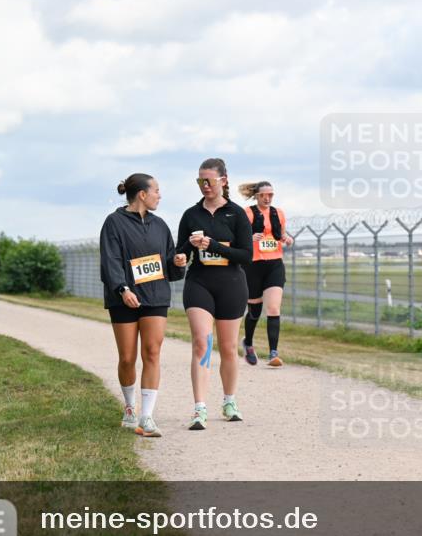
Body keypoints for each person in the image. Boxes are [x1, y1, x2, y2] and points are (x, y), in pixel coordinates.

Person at [100, 173, 187, 438]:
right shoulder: (114, 222)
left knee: (152, 352)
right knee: (127, 357)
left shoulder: (160, 225)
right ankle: (130, 408)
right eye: (157, 190)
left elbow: (169, 265)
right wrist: (122, 289)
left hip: (156, 297)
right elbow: (110, 260)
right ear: (142, 194)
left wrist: (178, 263)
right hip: (123, 298)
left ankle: (146, 417)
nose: (160, 195)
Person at [176, 158, 252, 430]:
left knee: (229, 348)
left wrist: (214, 245)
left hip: (231, 283)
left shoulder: (237, 213)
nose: (204, 186)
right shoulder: (190, 215)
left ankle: (229, 401)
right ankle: (199, 408)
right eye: (200, 181)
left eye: (209, 180)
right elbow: (179, 252)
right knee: (202, 344)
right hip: (200, 283)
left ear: (224, 180)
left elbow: (246, 255)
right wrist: (182, 255)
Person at [238, 181, 294, 367]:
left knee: (273, 308)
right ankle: (248, 343)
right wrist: (249, 238)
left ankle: (273, 353)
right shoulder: (247, 213)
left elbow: (280, 235)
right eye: (264, 195)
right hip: (253, 266)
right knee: (254, 310)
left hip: (275, 265)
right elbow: (237, 238)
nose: (267, 198)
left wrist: (287, 238)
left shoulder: (279, 213)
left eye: (271, 194)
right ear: (257, 195)